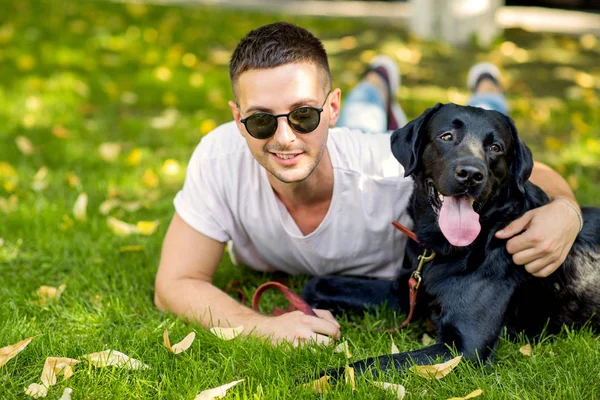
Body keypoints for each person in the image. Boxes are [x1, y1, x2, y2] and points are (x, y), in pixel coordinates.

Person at [154, 22, 582, 346]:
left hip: (356, 152)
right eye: (261, 120)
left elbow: (532, 171)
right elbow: (174, 284)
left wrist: (566, 210)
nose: (284, 137)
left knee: (481, 128)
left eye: (304, 113)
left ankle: (486, 86)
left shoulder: (390, 171)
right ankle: (380, 79)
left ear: (330, 107)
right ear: (237, 119)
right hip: (344, 144)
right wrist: (261, 327)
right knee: (357, 125)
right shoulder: (219, 158)